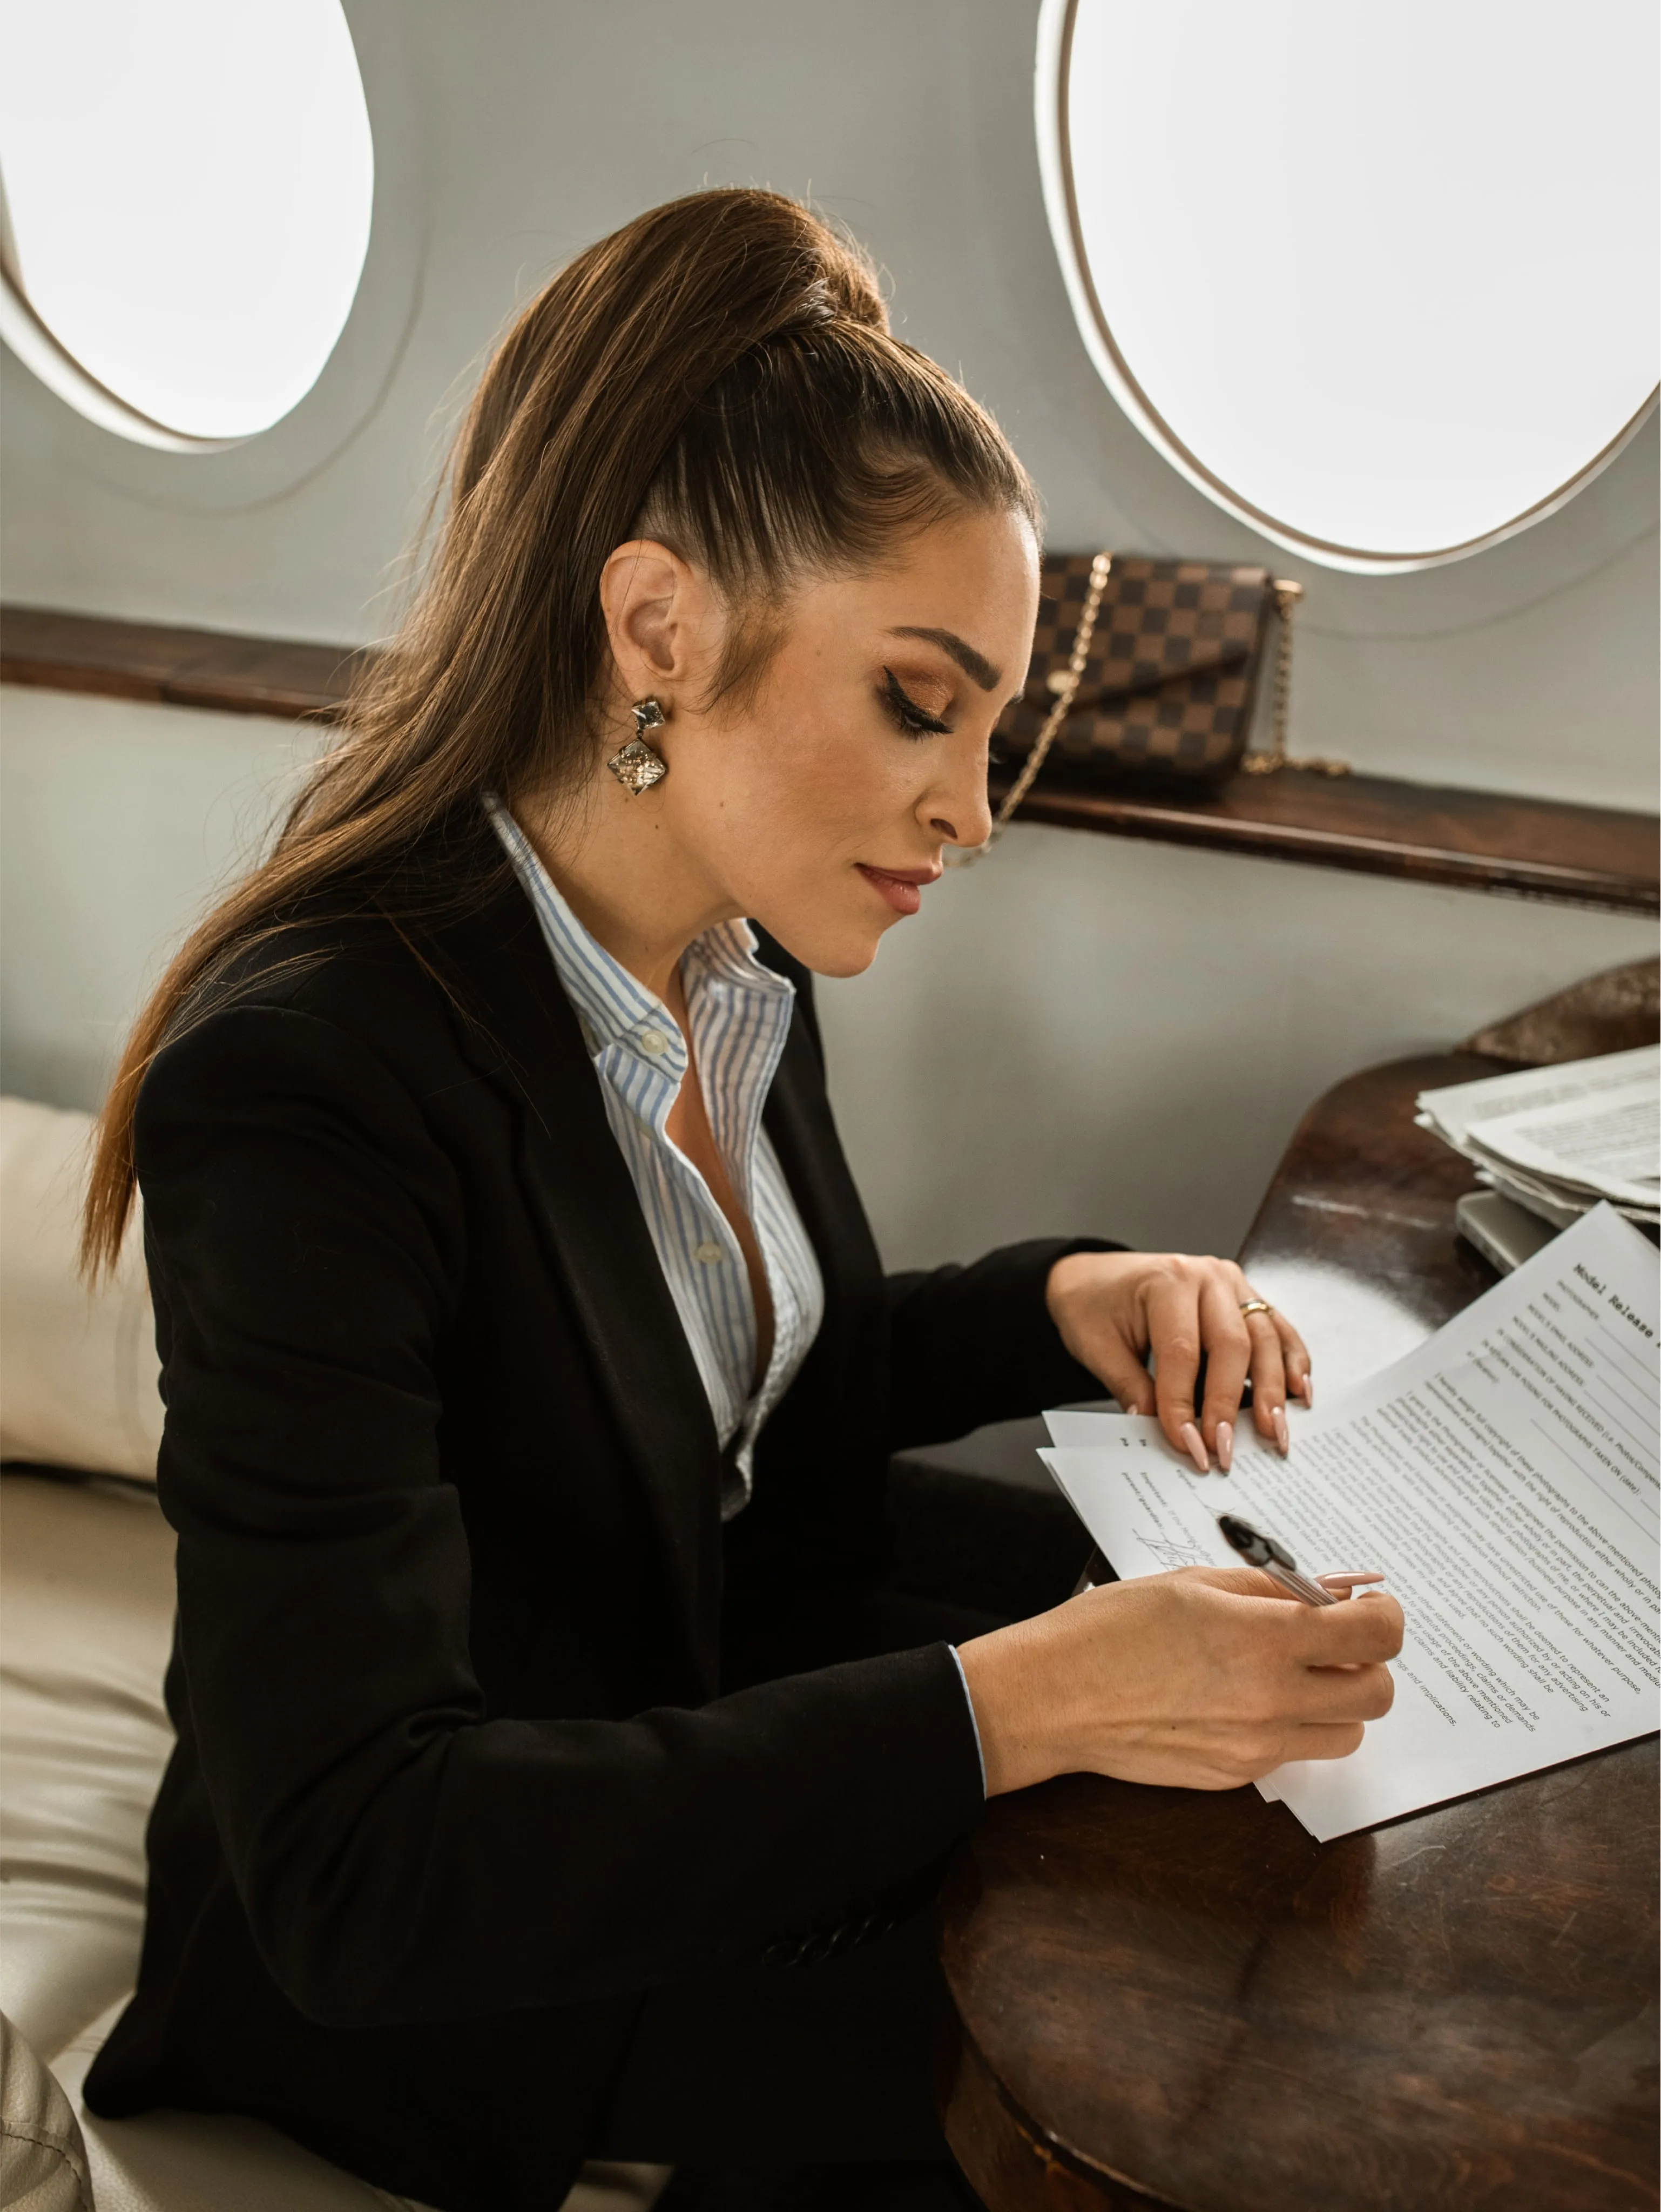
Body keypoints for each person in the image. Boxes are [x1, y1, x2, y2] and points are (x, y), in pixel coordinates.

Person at [79, 191, 1401, 2212]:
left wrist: (1055, 1297)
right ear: (659, 629)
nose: (970, 809)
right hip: (459, 1971)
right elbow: (362, 1869)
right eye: (916, 701)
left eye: (987, 723)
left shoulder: (736, 957)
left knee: (1275, 1794)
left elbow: (724, 1374)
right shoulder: (308, 1081)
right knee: (1212, 2062)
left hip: (707, 1702)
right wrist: (1016, 1707)